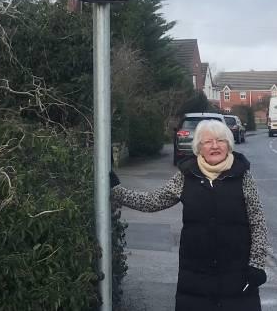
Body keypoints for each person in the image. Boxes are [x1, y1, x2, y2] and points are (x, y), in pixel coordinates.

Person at [111, 119, 268, 310]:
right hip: (195, 277)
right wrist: (117, 191)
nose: (215, 146)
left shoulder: (242, 175)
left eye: (221, 140)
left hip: (238, 276)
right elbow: (153, 201)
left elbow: (257, 222)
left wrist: (257, 265)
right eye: (208, 142)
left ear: (229, 144)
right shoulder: (186, 175)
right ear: (198, 148)